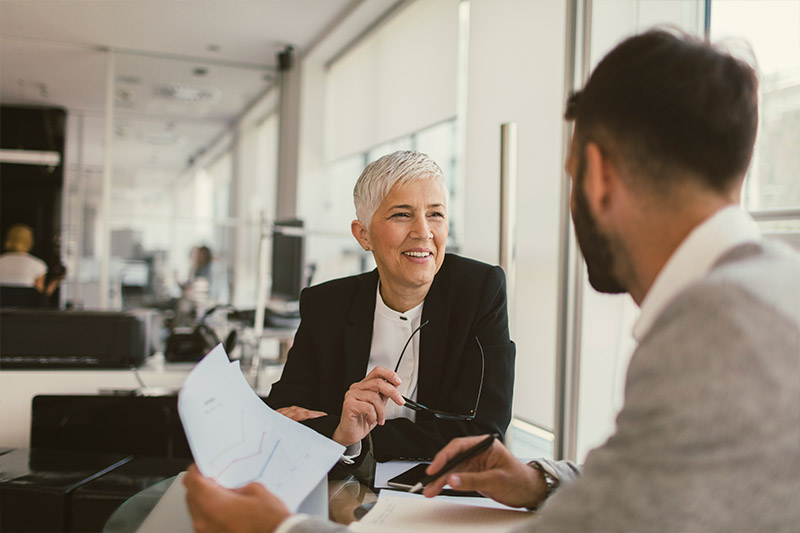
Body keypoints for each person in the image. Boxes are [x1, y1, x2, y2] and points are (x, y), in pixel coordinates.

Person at [183, 28, 800, 532]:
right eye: (401, 215)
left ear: (597, 174)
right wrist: (542, 480)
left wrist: (284, 531)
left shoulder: (720, 330)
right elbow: (659, 476)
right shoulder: (764, 294)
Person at [266, 150, 514, 465]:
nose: (424, 232)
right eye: (402, 214)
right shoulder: (326, 305)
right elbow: (283, 419)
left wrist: (352, 436)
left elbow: (482, 435)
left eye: (435, 214)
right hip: (344, 495)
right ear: (363, 235)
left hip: (441, 496)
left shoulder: (479, 291)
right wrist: (343, 434)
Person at [0, 223, 64, 303]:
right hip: (26, 311)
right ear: (29, 241)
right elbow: (41, 297)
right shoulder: (38, 264)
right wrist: (55, 282)